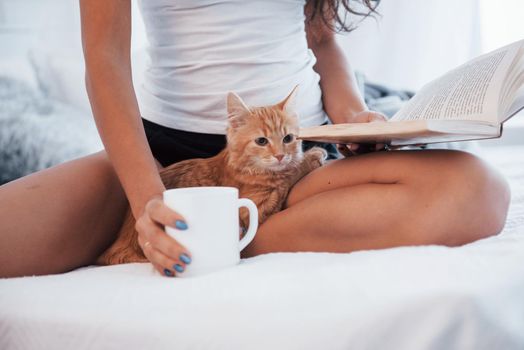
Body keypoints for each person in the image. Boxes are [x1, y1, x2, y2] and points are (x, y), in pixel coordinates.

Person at [0, 0, 510, 278]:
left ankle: (231, 239)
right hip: (165, 164)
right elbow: (106, 63)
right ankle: (201, 229)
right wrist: (147, 201)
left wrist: (354, 114)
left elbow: (322, 41)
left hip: (296, 161)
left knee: (478, 191)